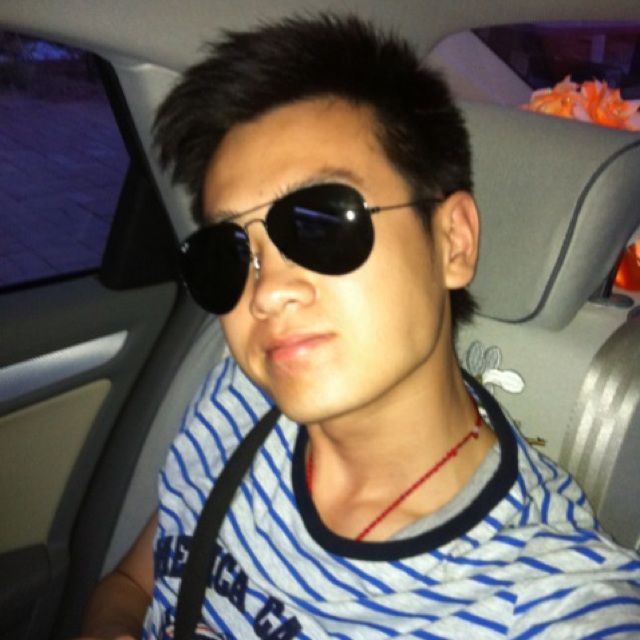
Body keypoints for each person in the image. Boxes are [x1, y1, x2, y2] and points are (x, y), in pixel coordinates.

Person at [80, 14, 640, 640]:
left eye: (320, 223)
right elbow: (131, 586)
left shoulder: (544, 603)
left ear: (453, 242)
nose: (267, 292)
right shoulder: (233, 402)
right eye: (230, 254)